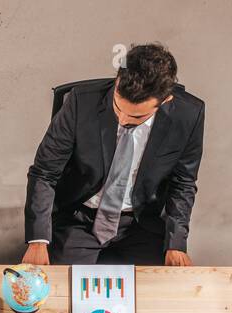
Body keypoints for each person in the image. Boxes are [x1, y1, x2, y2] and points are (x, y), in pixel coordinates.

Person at [23, 42, 204, 268]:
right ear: (117, 81)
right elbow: (44, 173)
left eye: (137, 118)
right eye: (118, 108)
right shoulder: (80, 102)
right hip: (80, 220)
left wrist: (176, 243)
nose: (123, 121)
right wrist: (38, 240)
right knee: (57, 290)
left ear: (165, 101)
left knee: (160, 292)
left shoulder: (189, 115)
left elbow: (183, 183)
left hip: (140, 224)